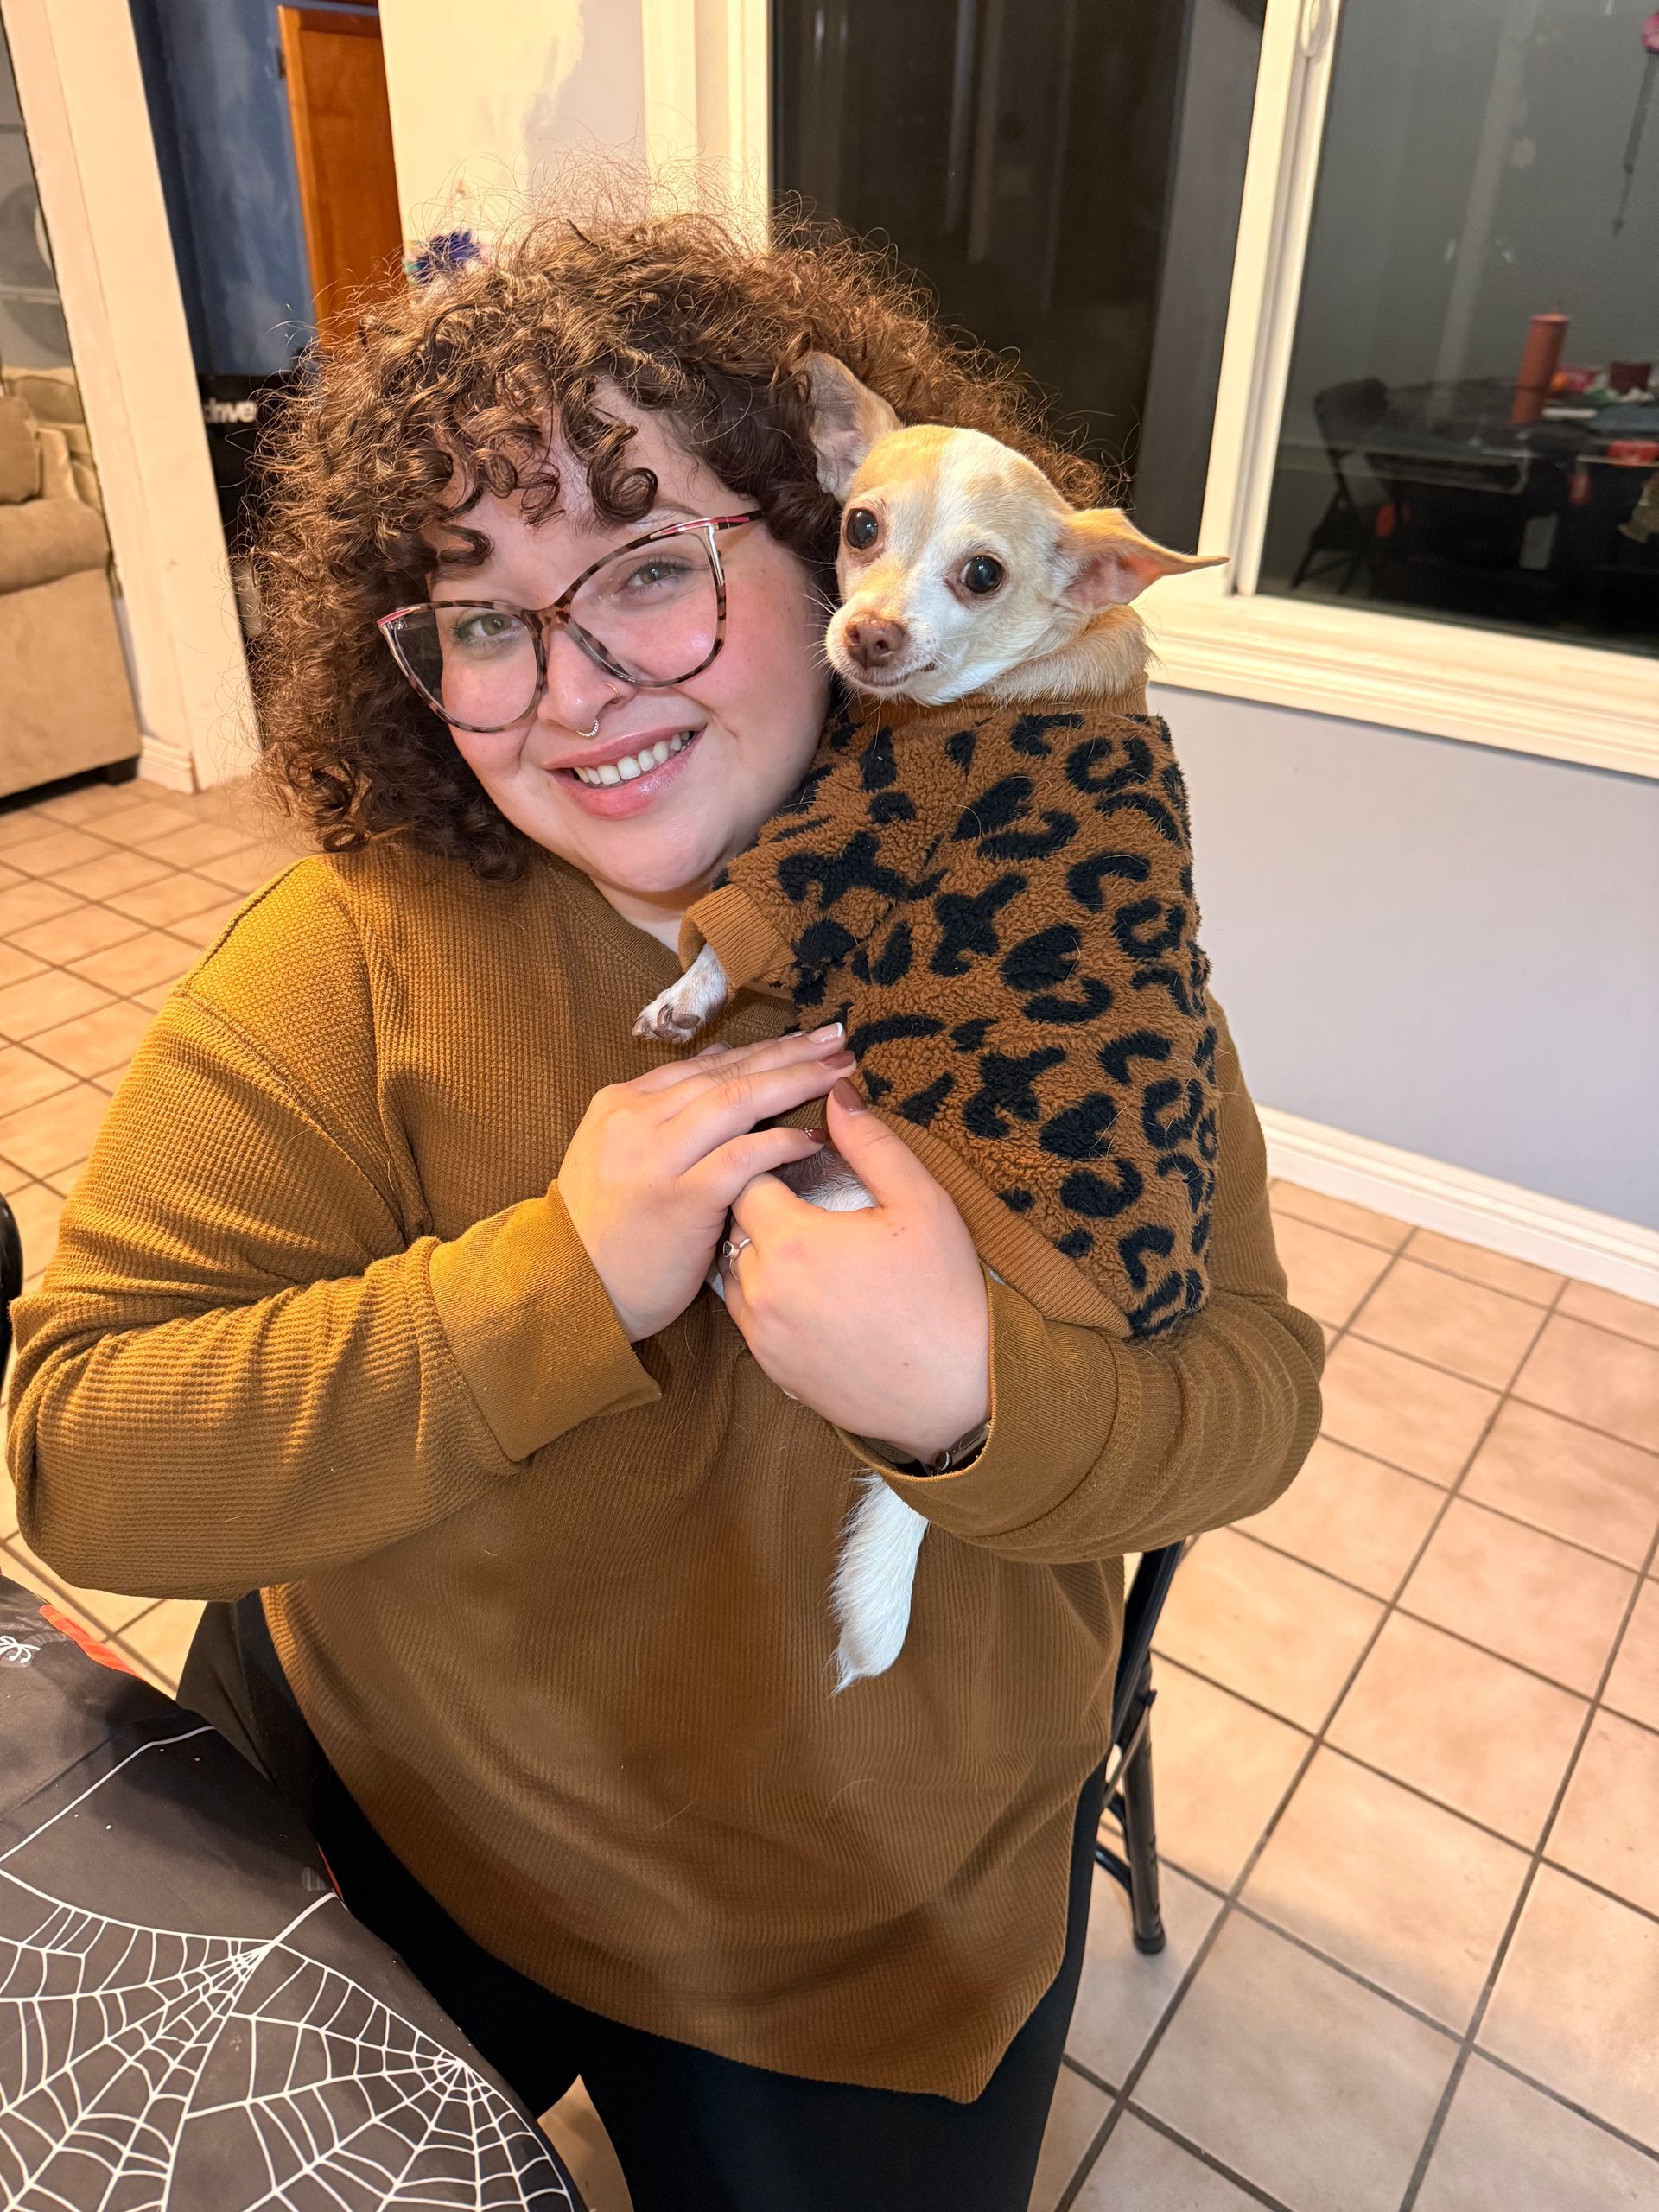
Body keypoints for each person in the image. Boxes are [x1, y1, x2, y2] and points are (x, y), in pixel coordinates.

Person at [5, 202, 1322, 2211]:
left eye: (651, 569)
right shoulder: (358, 950)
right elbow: (83, 1459)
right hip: (402, 1816)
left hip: (867, 1940)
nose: (571, 681)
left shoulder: (1067, 936)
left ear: (826, 559)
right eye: (479, 613)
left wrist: (973, 1399)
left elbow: (1253, 1397)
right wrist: (549, 1286)